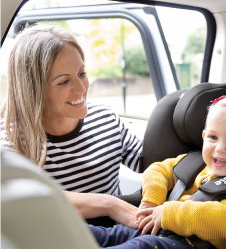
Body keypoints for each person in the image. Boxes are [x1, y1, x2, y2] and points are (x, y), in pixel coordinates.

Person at [88, 93, 226, 249]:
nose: (220, 148)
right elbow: (157, 170)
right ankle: (61, 246)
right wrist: (151, 200)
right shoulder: (192, 162)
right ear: (204, 136)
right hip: (157, 229)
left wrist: (169, 213)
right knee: (105, 234)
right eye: (213, 137)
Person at [0, 25, 142, 226]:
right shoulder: (11, 143)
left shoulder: (106, 118)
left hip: (122, 239)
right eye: (64, 82)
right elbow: (33, 200)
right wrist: (109, 204)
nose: (81, 88)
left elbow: (147, 162)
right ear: (33, 89)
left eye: (82, 73)